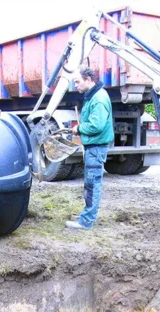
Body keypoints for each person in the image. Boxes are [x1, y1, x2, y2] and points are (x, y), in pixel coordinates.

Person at [65, 67, 114, 230]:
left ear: (89, 79)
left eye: (78, 82)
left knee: (92, 184)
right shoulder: (93, 96)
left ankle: (86, 221)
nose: (76, 86)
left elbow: (96, 126)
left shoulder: (98, 99)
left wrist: (79, 128)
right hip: (94, 146)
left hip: (96, 146)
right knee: (90, 183)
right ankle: (87, 214)